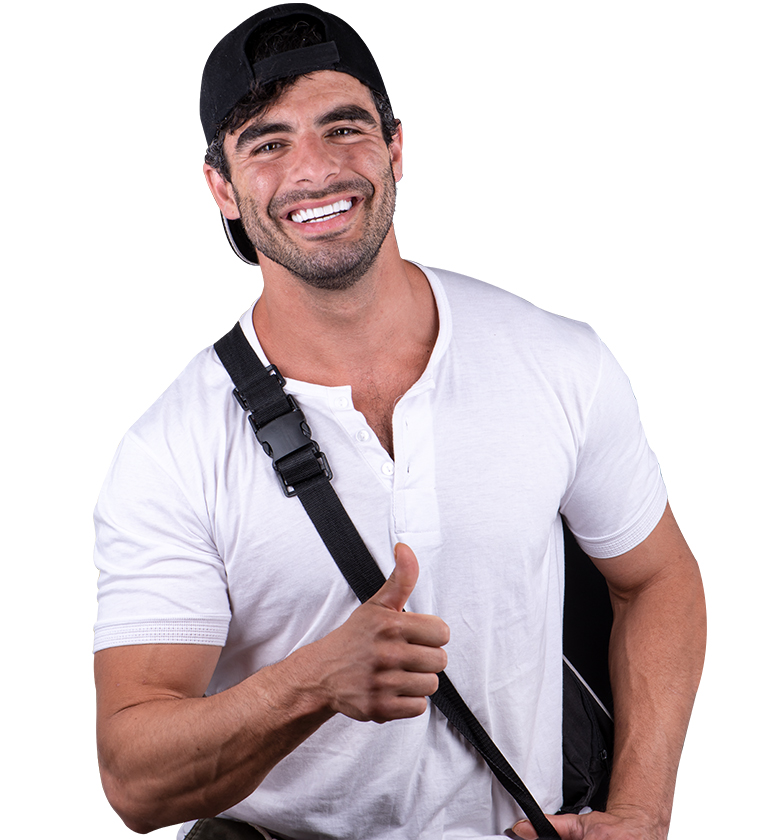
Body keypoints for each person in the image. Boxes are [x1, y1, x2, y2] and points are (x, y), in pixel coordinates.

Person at [93, 5, 706, 839]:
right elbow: (133, 777)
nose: (313, 169)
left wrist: (640, 811)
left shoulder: (556, 361)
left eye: (343, 127)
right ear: (223, 190)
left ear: (396, 148)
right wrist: (311, 684)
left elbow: (657, 579)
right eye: (267, 143)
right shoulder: (171, 450)